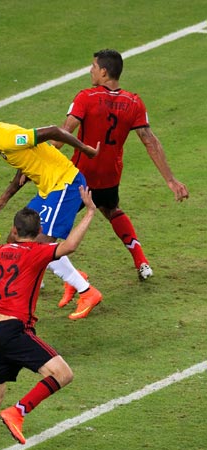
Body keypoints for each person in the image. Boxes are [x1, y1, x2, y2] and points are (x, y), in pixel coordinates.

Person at [0, 186, 98, 450]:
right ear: (39, 232)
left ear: (13, 230)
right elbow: (70, 247)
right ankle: (19, 411)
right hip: (16, 329)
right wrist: (89, 212)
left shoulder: (1, 252)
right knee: (63, 374)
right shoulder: (37, 252)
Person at [55, 48, 189, 282]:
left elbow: (64, 134)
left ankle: (36, 267)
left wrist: (32, 161)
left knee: (48, 219)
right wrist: (170, 179)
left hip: (80, 176)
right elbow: (150, 141)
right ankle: (142, 261)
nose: (91, 70)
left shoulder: (85, 97)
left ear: (104, 72)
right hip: (110, 175)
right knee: (111, 210)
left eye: (94, 67)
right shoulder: (134, 102)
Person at [0, 96, 102, 320]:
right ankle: (72, 277)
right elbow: (24, 163)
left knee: (36, 246)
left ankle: (87, 292)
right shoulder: (1, 138)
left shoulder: (7, 137)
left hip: (65, 185)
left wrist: (84, 149)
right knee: (16, 239)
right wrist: (4, 198)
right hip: (49, 189)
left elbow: (52, 132)